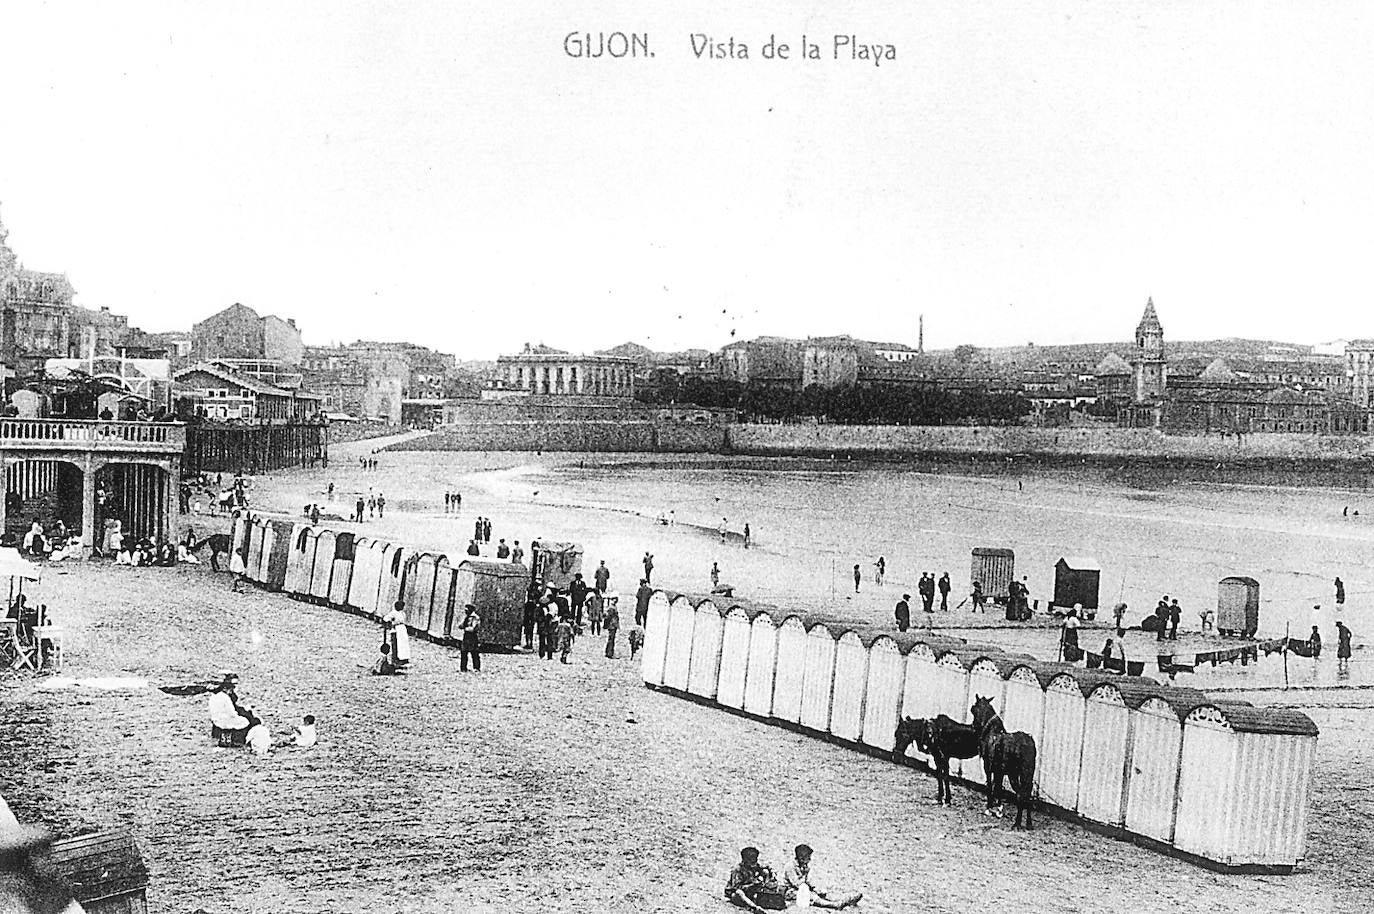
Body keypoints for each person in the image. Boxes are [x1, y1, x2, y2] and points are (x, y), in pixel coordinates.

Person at [782, 844, 862, 909]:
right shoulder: (790, 867)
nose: (810, 860)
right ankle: (834, 905)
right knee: (812, 896)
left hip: (802, 888)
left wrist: (816, 888)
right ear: (801, 859)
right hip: (790, 891)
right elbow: (796, 883)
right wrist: (805, 876)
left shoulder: (804, 866)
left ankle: (842, 900)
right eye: (808, 858)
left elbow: (808, 881)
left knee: (821, 893)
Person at [725, 846, 784, 913]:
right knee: (739, 893)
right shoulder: (737, 870)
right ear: (744, 860)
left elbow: (766, 867)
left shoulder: (755, 866)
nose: (754, 863)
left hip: (751, 891)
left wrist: (771, 873)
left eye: (755, 860)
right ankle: (754, 907)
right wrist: (752, 884)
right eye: (751, 861)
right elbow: (736, 887)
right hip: (738, 894)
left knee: (765, 872)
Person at [208, 675, 250, 745]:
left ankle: (224, 738)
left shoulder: (213, 697)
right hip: (225, 720)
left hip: (216, 720)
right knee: (245, 722)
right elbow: (231, 713)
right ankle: (235, 740)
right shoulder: (225, 697)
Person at [458, 604, 482, 672]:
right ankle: (463, 668)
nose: (465, 610)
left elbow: (473, 628)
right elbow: (460, 625)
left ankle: (476, 668)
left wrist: (465, 628)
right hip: (466, 636)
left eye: (467, 609)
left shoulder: (475, 618)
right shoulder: (467, 617)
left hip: (472, 637)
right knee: (463, 652)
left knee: (474, 652)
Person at [603, 592, 620, 658]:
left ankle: (609, 652)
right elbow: (608, 617)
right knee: (611, 639)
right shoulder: (612, 607)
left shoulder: (612, 607)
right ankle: (609, 653)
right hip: (612, 625)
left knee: (611, 639)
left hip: (613, 625)